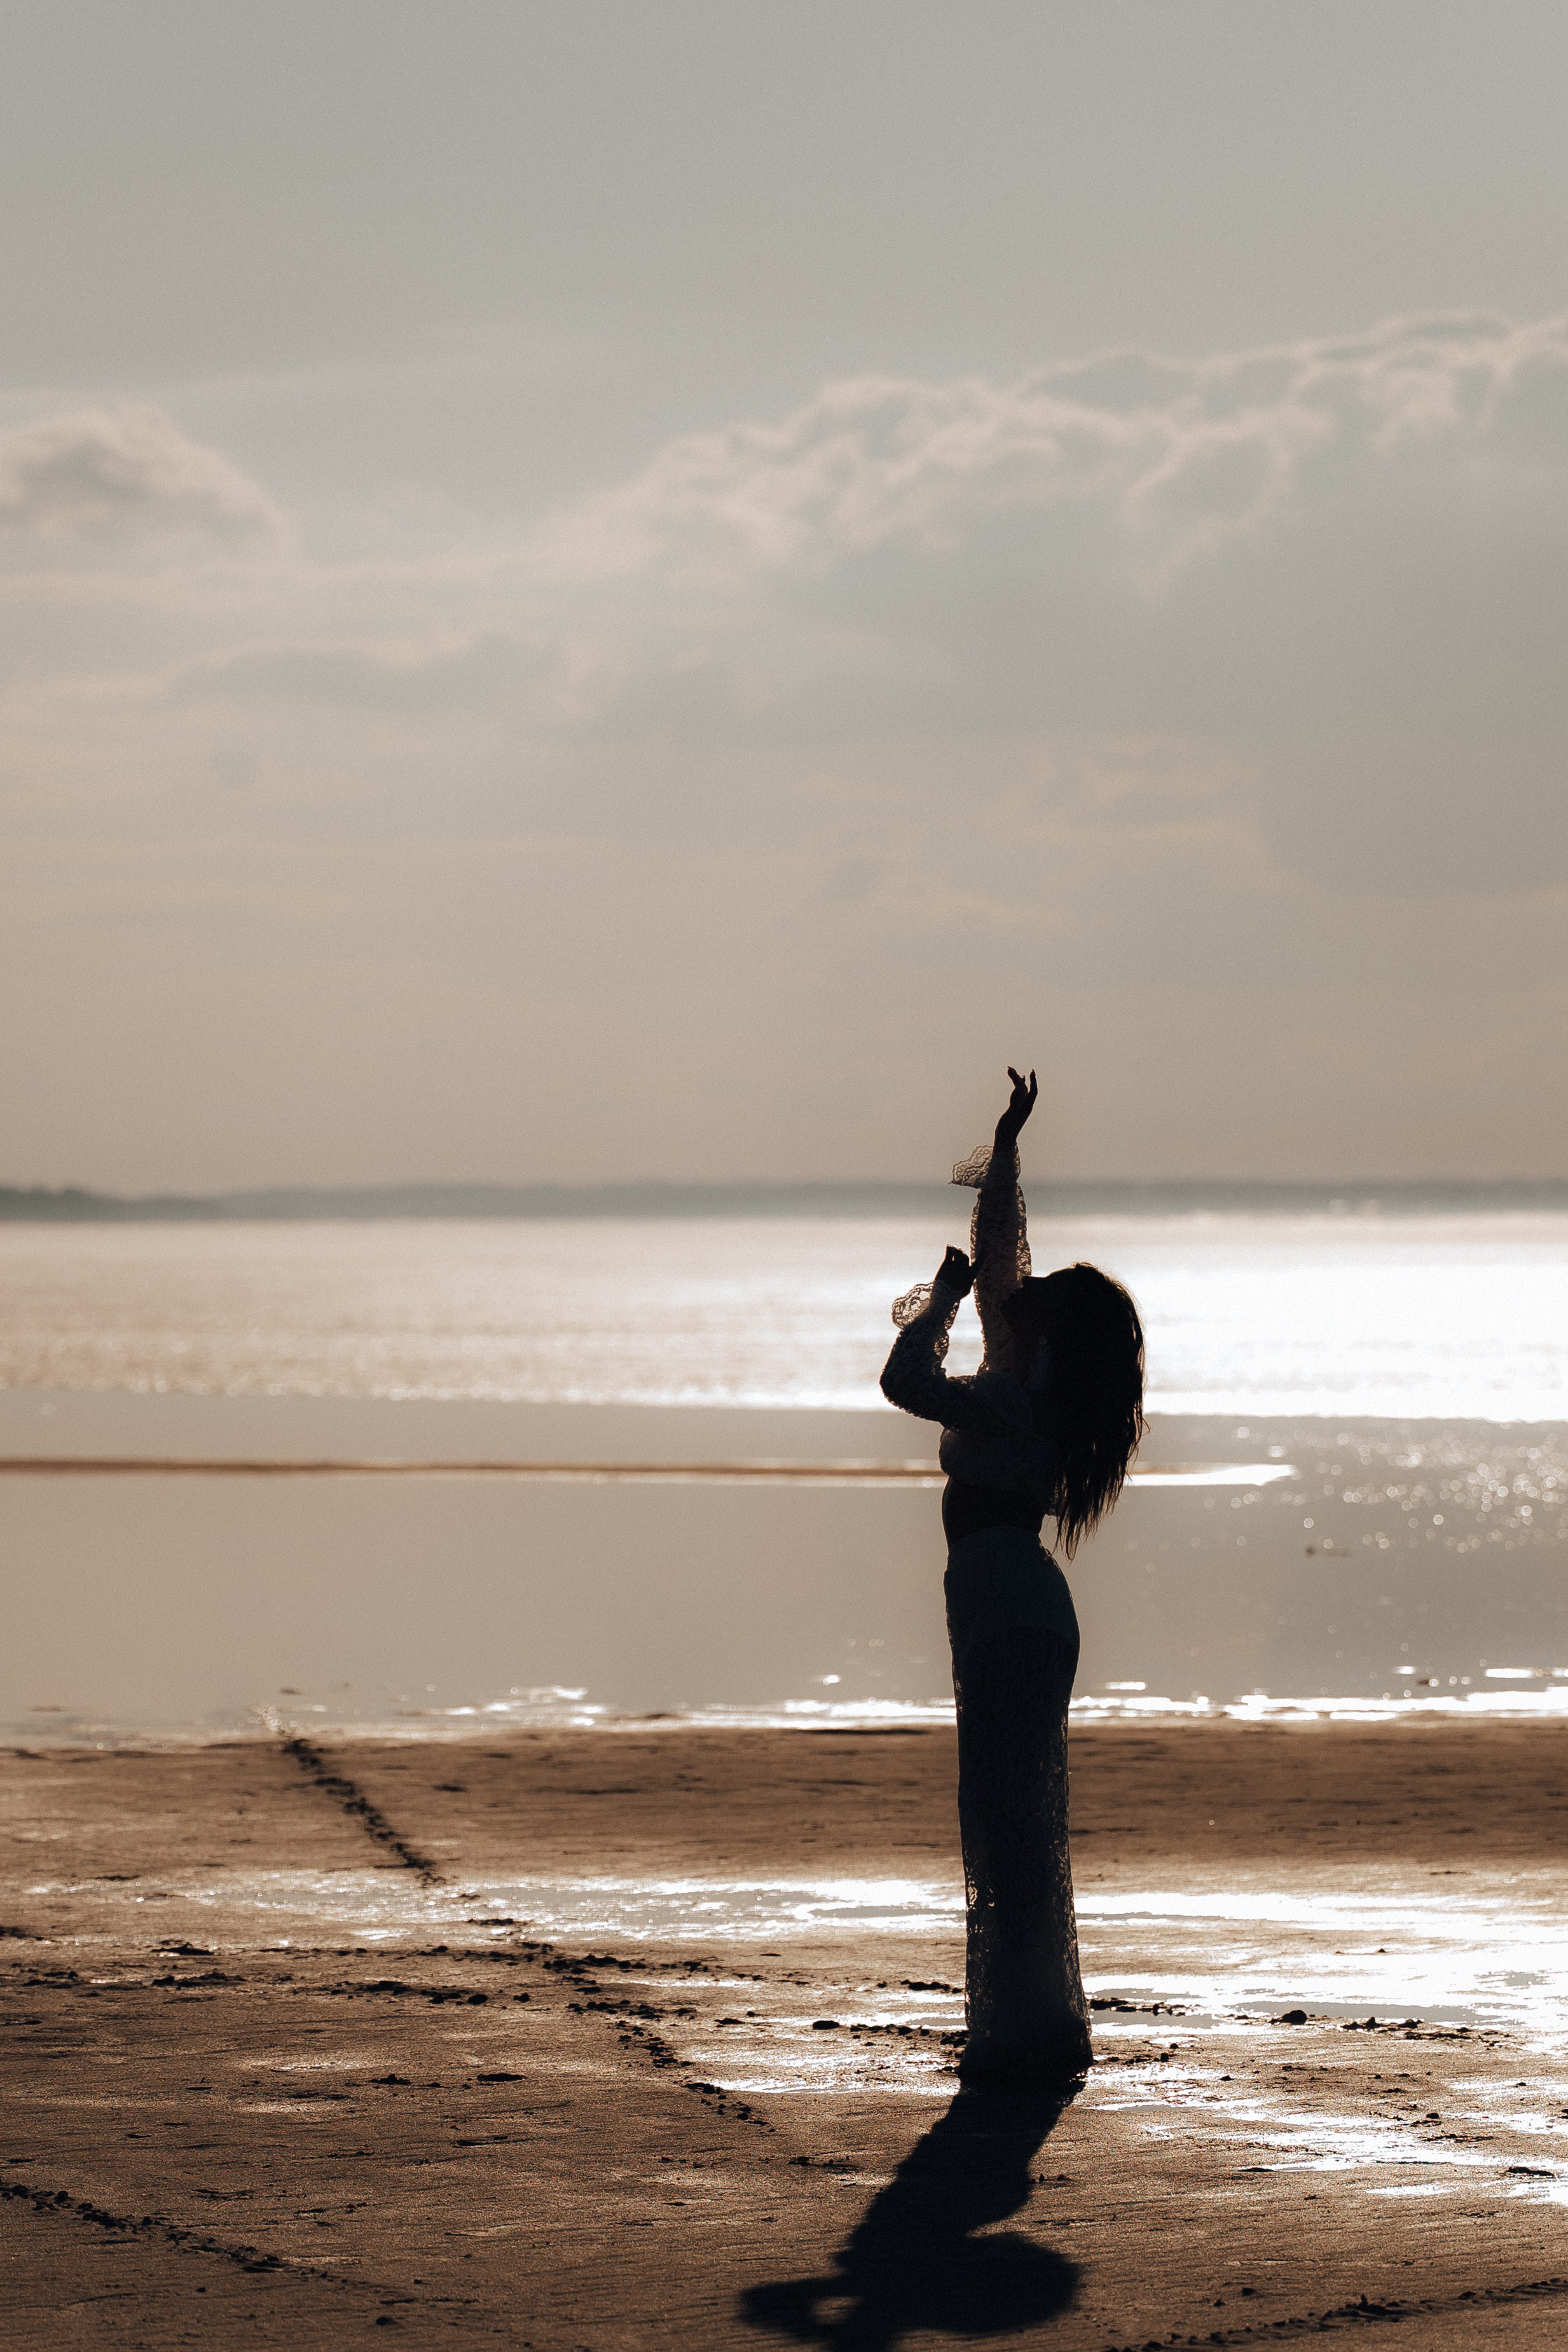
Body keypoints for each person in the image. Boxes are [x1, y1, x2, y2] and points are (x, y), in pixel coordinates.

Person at [880, 1068, 1145, 2083]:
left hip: (1004, 1603)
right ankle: (1027, 2019)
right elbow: (1005, 1259)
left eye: (1024, 1307)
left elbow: (906, 1383)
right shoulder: (1019, 1385)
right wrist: (1006, 1138)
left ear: (1047, 1337)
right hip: (1011, 1599)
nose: (1009, 1301)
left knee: (1007, 1814)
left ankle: (1024, 2029)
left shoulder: (1011, 1408)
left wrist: (940, 1297)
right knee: (1012, 1813)